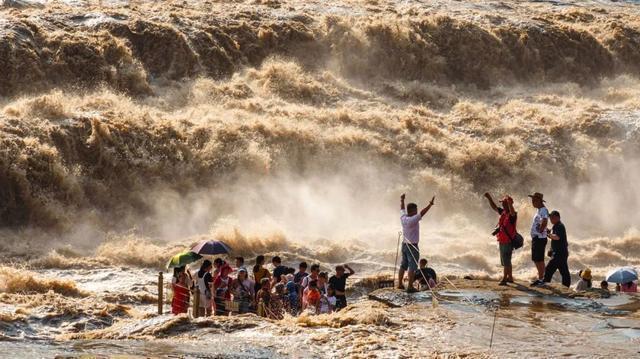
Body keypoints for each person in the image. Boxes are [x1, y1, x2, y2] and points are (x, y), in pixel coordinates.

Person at [399, 193, 435, 293]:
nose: (417, 211)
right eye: (415, 210)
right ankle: (410, 287)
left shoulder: (403, 218)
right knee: (412, 266)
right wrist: (430, 205)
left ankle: (399, 284)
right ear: (412, 211)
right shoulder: (412, 219)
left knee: (403, 265)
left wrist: (402, 200)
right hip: (412, 246)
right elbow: (422, 213)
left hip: (404, 244)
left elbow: (402, 209)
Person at [484, 193, 517, 286]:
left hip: (507, 241)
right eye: (502, 203)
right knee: (506, 261)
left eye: (504, 203)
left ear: (508, 204)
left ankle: (504, 279)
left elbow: (512, 212)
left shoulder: (512, 215)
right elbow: (494, 207)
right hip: (502, 240)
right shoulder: (503, 212)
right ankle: (510, 277)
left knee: (506, 261)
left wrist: (510, 204)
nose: (502, 204)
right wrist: (489, 198)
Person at [543, 211, 571, 287]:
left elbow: (557, 237)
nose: (551, 219)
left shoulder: (559, 226)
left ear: (558, 217)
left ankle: (545, 284)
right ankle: (566, 286)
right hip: (560, 252)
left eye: (553, 217)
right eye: (550, 217)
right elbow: (558, 238)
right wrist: (551, 249)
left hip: (559, 253)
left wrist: (548, 234)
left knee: (549, 269)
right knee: (563, 271)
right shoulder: (556, 226)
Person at [528, 192, 549, 287]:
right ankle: (541, 278)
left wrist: (540, 231)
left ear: (539, 201)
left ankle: (541, 279)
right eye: (532, 200)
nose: (532, 202)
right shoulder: (539, 210)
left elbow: (545, 221)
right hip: (537, 238)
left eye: (534, 200)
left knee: (539, 259)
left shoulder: (543, 210)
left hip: (539, 238)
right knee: (536, 259)